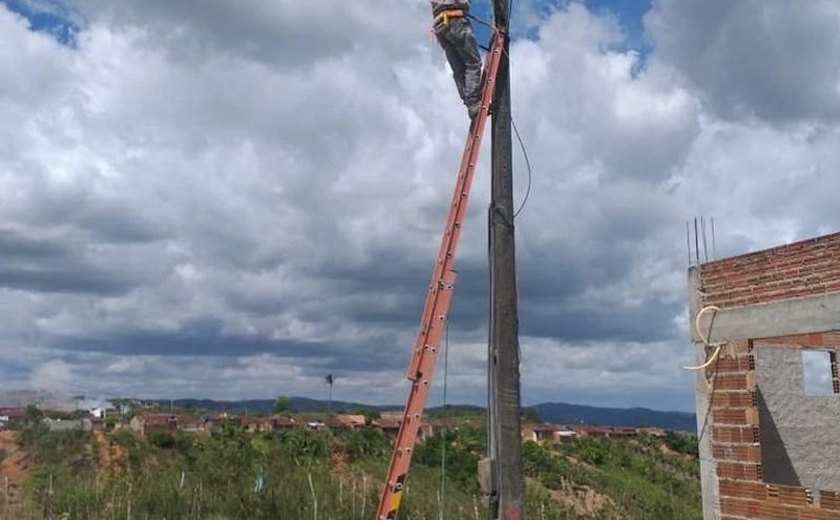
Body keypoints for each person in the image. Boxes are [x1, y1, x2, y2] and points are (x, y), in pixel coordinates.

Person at [431, 0, 483, 119]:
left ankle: (469, 101)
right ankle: (473, 101)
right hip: (455, 20)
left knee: (459, 68)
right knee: (473, 63)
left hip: (440, 25)